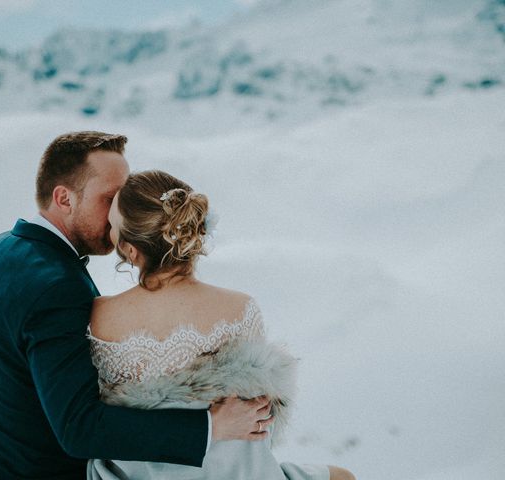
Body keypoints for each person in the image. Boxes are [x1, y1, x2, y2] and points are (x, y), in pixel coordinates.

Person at [0, 132, 271, 479]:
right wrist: (210, 426)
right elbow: (79, 427)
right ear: (64, 198)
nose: (121, 210)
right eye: (110, 198)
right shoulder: (58, 285)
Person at [85, 170, 357, 480]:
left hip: (139, 471)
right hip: (233, 471)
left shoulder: (101, 317)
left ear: (130, 250)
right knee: (342, 476)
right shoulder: (240, 308)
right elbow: (263, 422)